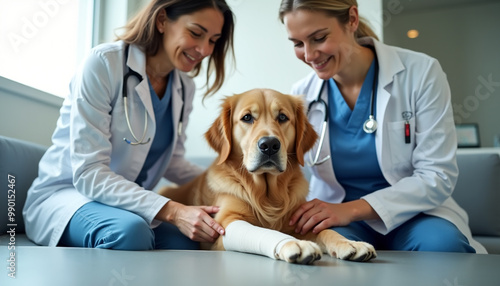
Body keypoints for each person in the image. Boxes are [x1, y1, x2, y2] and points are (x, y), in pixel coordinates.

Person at [23, 0, 235, 250]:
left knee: (190, 241)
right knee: (129, 233)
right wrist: (173, 211)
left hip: (125, 206)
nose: (204, 49)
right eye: (196, 33)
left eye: (213, 40)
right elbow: (89, 173)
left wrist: (232, 182)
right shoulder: (103, 64)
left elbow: (174, 162)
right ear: (162, 20)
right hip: (69, 196)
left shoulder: (183, 87)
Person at [278, 0, 486, 253]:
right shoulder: (302, 94)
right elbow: (283, 166)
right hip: (336, 214)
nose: (309, 55)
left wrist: (351, 210)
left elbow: (437, 175)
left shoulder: (420, 73)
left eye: (319, 38)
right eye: (297, 44)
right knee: (329, 255)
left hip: (415, 214)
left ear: (352, 19)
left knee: (444, 248)